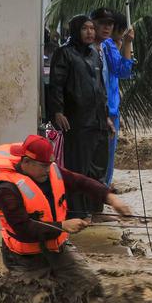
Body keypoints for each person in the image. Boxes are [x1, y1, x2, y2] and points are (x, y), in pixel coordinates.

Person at [0, 134, 131, 291]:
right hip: (23, 257)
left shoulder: (51, 171)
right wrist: (62, 225)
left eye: (50, 164)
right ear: (26, 162)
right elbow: (23, 229)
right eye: (43, 165)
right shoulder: (6, 189)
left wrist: (111, 198)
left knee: (91, 287)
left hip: (57, 248)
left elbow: (81, 182)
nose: (48, 169)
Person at [46, 15, 110, 217]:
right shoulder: (64, 53)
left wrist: (106, 117)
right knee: (78, 169)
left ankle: (94, 209)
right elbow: (56, 84)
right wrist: (58, 111)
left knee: (98, 168)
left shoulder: (94, 54)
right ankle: (77, 212)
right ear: (75, 31)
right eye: (85, 28)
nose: (90, 32)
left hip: (98, 121)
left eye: (92, 28)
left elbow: (100, 88)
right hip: (77, 120)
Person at [90, 7, 136, 186]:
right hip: (104, 110)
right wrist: (127, 44)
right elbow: (123, 70)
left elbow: (121, 72)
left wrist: (125, 44)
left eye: (110, 24)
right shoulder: (107, 45)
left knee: (105, 157)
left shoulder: (106, 46)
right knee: (102, 157)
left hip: (110, 110)